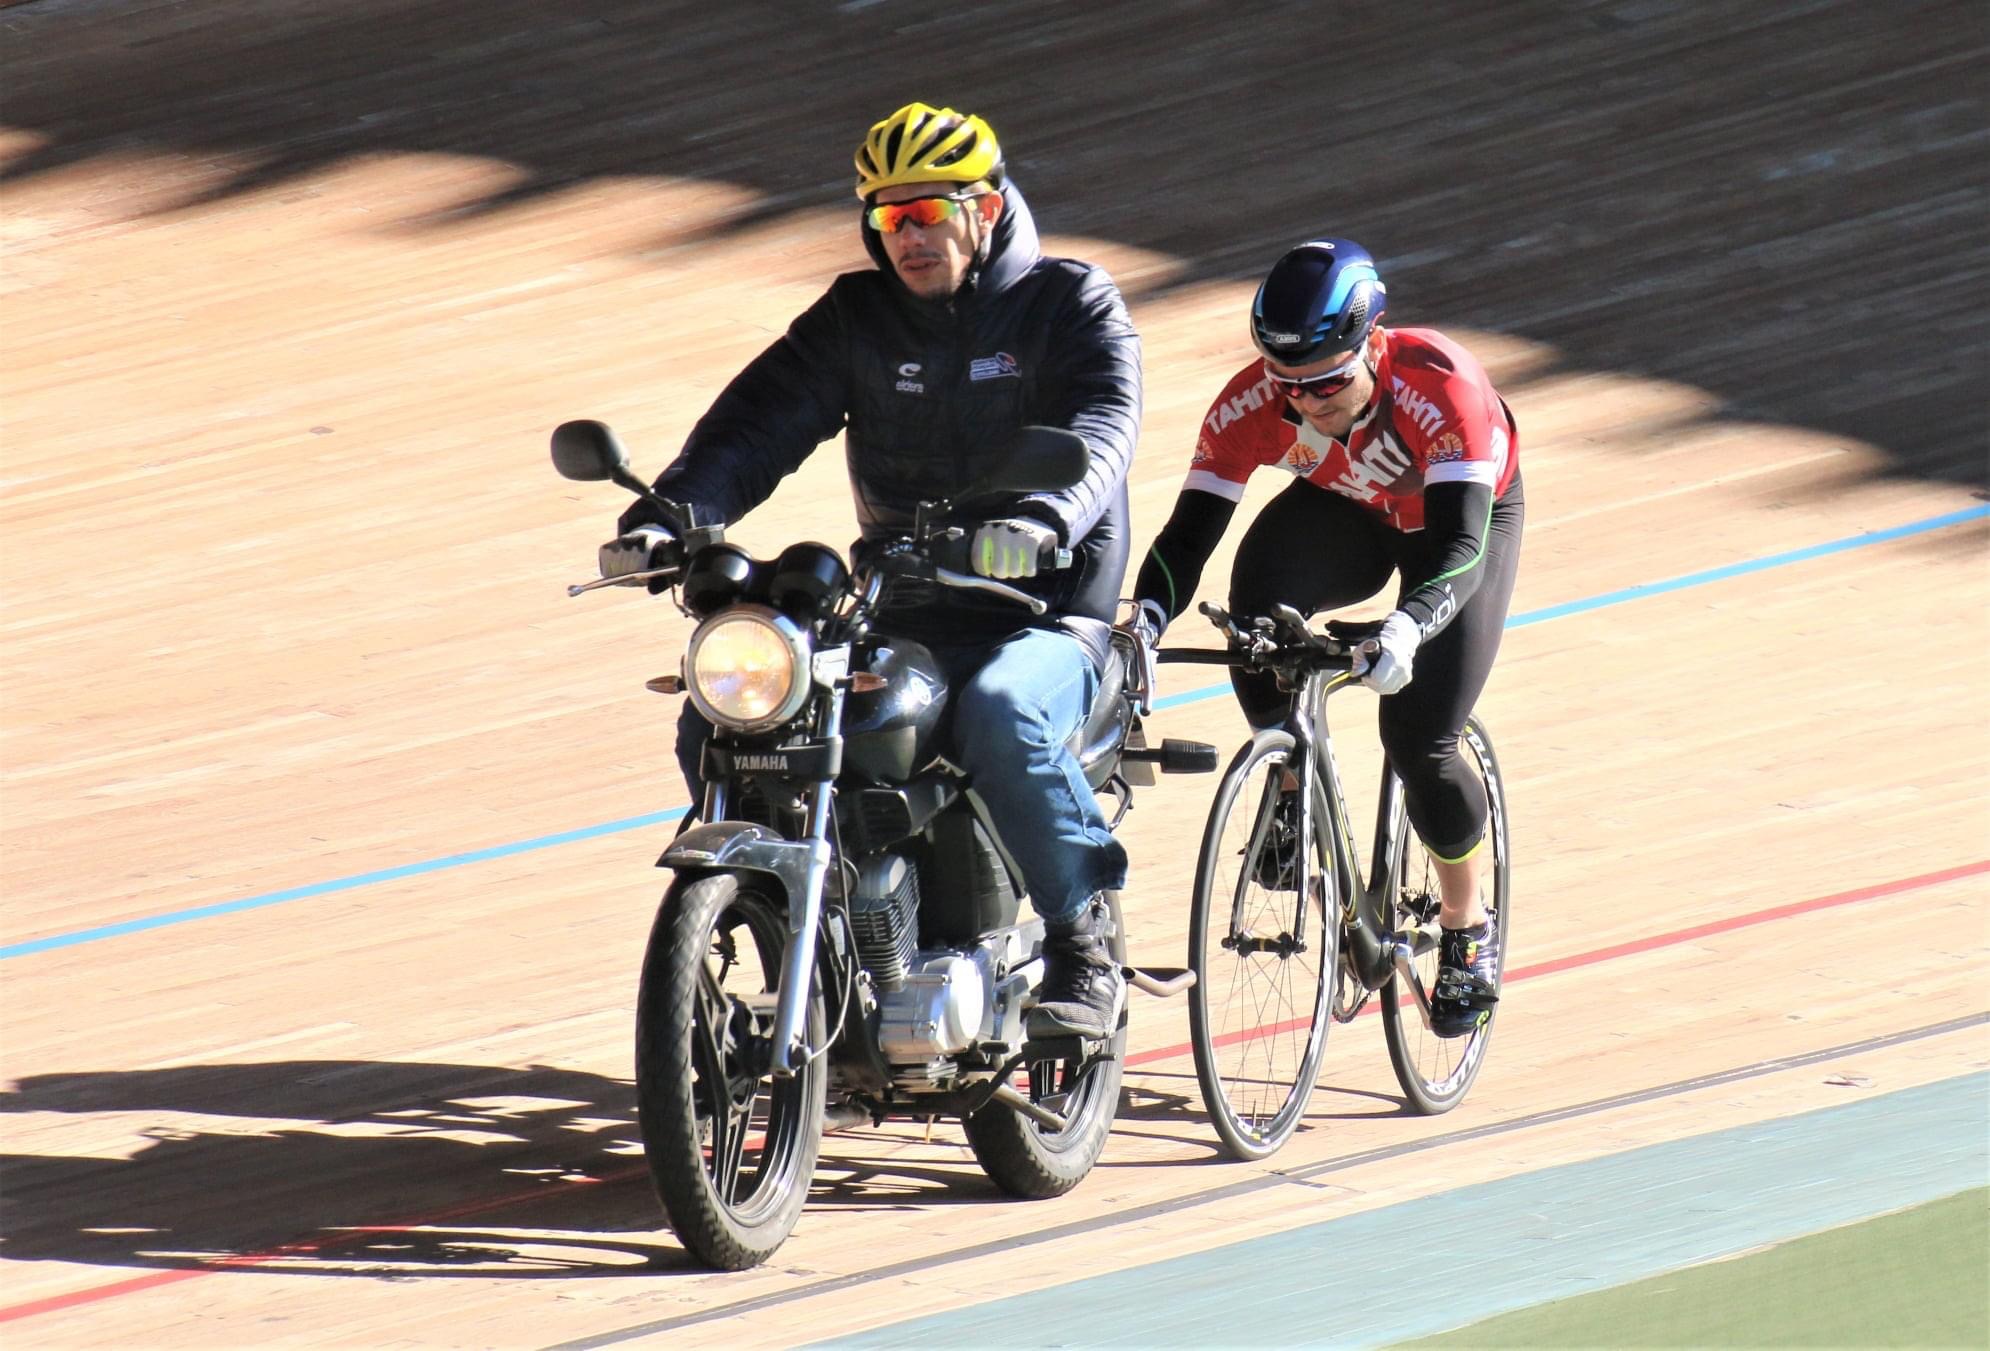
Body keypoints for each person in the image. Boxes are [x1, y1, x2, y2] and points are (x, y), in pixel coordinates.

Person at [597, 102, 1142, 1040]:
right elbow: (758, 421)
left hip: (1044, 608)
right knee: (735, 710)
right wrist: (674, 515)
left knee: (1004, 713)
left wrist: (1038, 520)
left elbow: (1103, 426)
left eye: (931, 213)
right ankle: (795, 944)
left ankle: (1082, 940)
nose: (910, 238)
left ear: (986, 207)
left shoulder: (1070, 302)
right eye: (891, 218)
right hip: (903, 604)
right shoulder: (857, 318)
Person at [1131, 238, 1522, 1038]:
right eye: (1290, 387)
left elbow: (1460, 549)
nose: (1308, 403)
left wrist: (1410, 625)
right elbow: (1189, 533)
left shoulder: (1441, 388)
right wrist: (1140, 623)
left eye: (1329, 382)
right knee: (1256, 613)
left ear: (1374, 342)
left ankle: (1464, 924)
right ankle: (1287, 778)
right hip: (1349, 510)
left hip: (1453, 531)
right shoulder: (1250, 405)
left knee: (1421, 740)